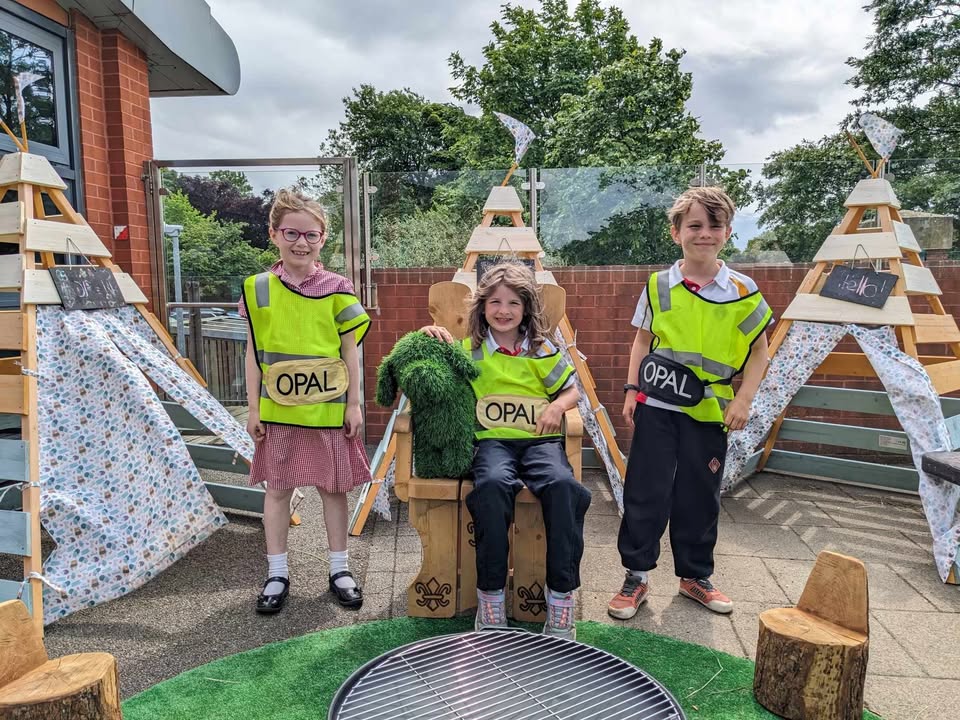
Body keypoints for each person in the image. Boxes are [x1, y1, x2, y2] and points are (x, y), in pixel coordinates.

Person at [608, 186, 772, 620]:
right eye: (694, 225)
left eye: (713, 226)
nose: (704, 234)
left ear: (728, 232)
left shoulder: (743, 289)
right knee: (646, 489)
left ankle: (695, 577)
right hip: (658, 406)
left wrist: (744, 399)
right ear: (676, 231)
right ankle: (636, 576)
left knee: (700, 494)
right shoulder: (658, 285)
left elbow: (760, 352)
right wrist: (630, 390)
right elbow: (642, 341)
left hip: (711, 413)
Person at [423, 263, 591, 640]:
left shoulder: (541, 349)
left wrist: (557, 407)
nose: (504, 310)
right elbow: (427, 361)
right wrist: (428, 332)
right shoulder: (470, 350)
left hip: (539, 441)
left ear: (526, 308)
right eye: (495, 302)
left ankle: (561, 599)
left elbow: (571, 390)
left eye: (513, 303)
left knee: (565, 487)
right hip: (493, 443)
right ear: (482, 307)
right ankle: (491, 597)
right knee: (492, 487)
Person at [240, 188, 371, 614]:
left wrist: (355, 403)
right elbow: (253, 353)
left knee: (333, 490)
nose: (301, 242)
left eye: (311, 235)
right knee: (278, 490)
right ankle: (277, 572)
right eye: (291, 233)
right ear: (274, 234)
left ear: (323, 238)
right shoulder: (257, 289)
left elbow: (350, 350)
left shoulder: (338, 288)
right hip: (279, 413)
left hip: (329, 411)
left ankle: (339, 569)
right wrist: (253, 408)